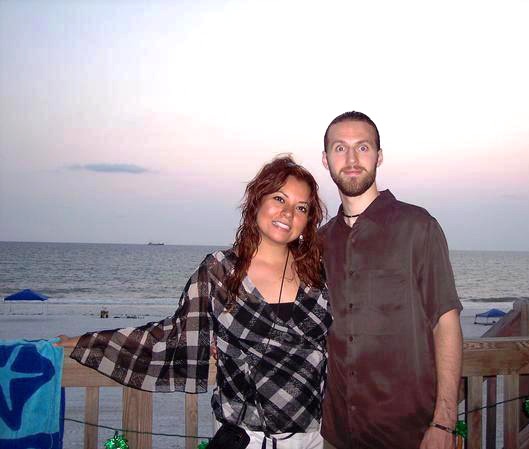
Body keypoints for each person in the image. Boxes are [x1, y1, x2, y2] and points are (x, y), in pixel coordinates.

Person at [57, 156, 332, 449]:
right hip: (247, 437)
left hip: (315, 435)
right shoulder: (220, 272)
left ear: (308, 220)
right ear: (257, 201)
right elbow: (172, 335)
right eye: (279, 198)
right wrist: (84, 342)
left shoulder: (319, 272)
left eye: (300, 207)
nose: (288, 213)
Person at [318, 111, 463, 449]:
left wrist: (444, 421)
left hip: (408, 434)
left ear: (379, 156)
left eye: (363, 147)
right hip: (338, 434)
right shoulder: (321, 242)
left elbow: (446, 321)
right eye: (340, 148)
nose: (352, 159)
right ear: (326, 160)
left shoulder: (418, 227)